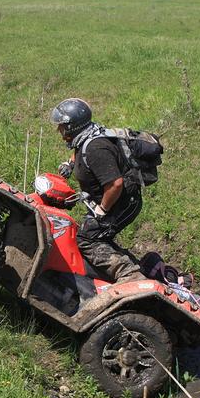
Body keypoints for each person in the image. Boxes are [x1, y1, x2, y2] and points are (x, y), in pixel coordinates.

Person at [51, 98, 144, 283]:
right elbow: (80, 149)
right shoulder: (86, 137)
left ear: (72, 126)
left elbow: (115, 184)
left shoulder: (96, 148)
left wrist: (102, 209)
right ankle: (132, 267)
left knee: (87, 240)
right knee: (93, 234)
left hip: (121, 204)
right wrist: (70, 164)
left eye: (62, 127)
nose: (59, 131)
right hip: (109, 201)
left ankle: (131, 276)